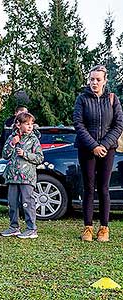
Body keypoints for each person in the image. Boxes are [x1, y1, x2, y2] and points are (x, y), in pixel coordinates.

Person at [73, 64, 123, 242]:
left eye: (98, 79)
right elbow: (78, 124)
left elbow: (118, 125)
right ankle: (87, 227)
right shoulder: (82, 99)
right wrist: (94, 145)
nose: (94, 82)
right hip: (87, 149)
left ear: (104, 81)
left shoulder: (112, 99)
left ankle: (104, 228)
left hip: (108, 149)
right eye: (92, 79)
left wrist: (104, 144)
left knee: (103, 188)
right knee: (88, 188)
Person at [0, 112, 44, 239]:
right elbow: (5, 155)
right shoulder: (12, 137)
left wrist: (25, 154)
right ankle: (14, 227)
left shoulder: (33, 139)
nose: (30, 126)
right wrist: (12, 144)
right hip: (12, 176)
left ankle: (31, 228)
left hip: (27, 177)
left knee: (27, 202)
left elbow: (39, 158)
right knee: (12, 202)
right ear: (18, 125)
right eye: (27, 124)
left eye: (31, 124)